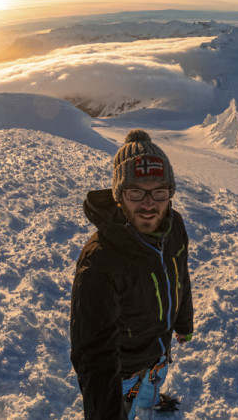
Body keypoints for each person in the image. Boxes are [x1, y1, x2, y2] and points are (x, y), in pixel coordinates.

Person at [70, 129, 195, 419]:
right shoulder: (100, 261)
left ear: (170, 193)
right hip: (123, 372)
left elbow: (180, 275)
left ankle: (148, 402)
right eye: (135, 192)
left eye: (159, 191)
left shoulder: (174, 225)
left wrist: (183, 322)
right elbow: (94, 357)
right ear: (119, 196)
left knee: (150, 390)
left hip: (159, 356)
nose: (149, 204)